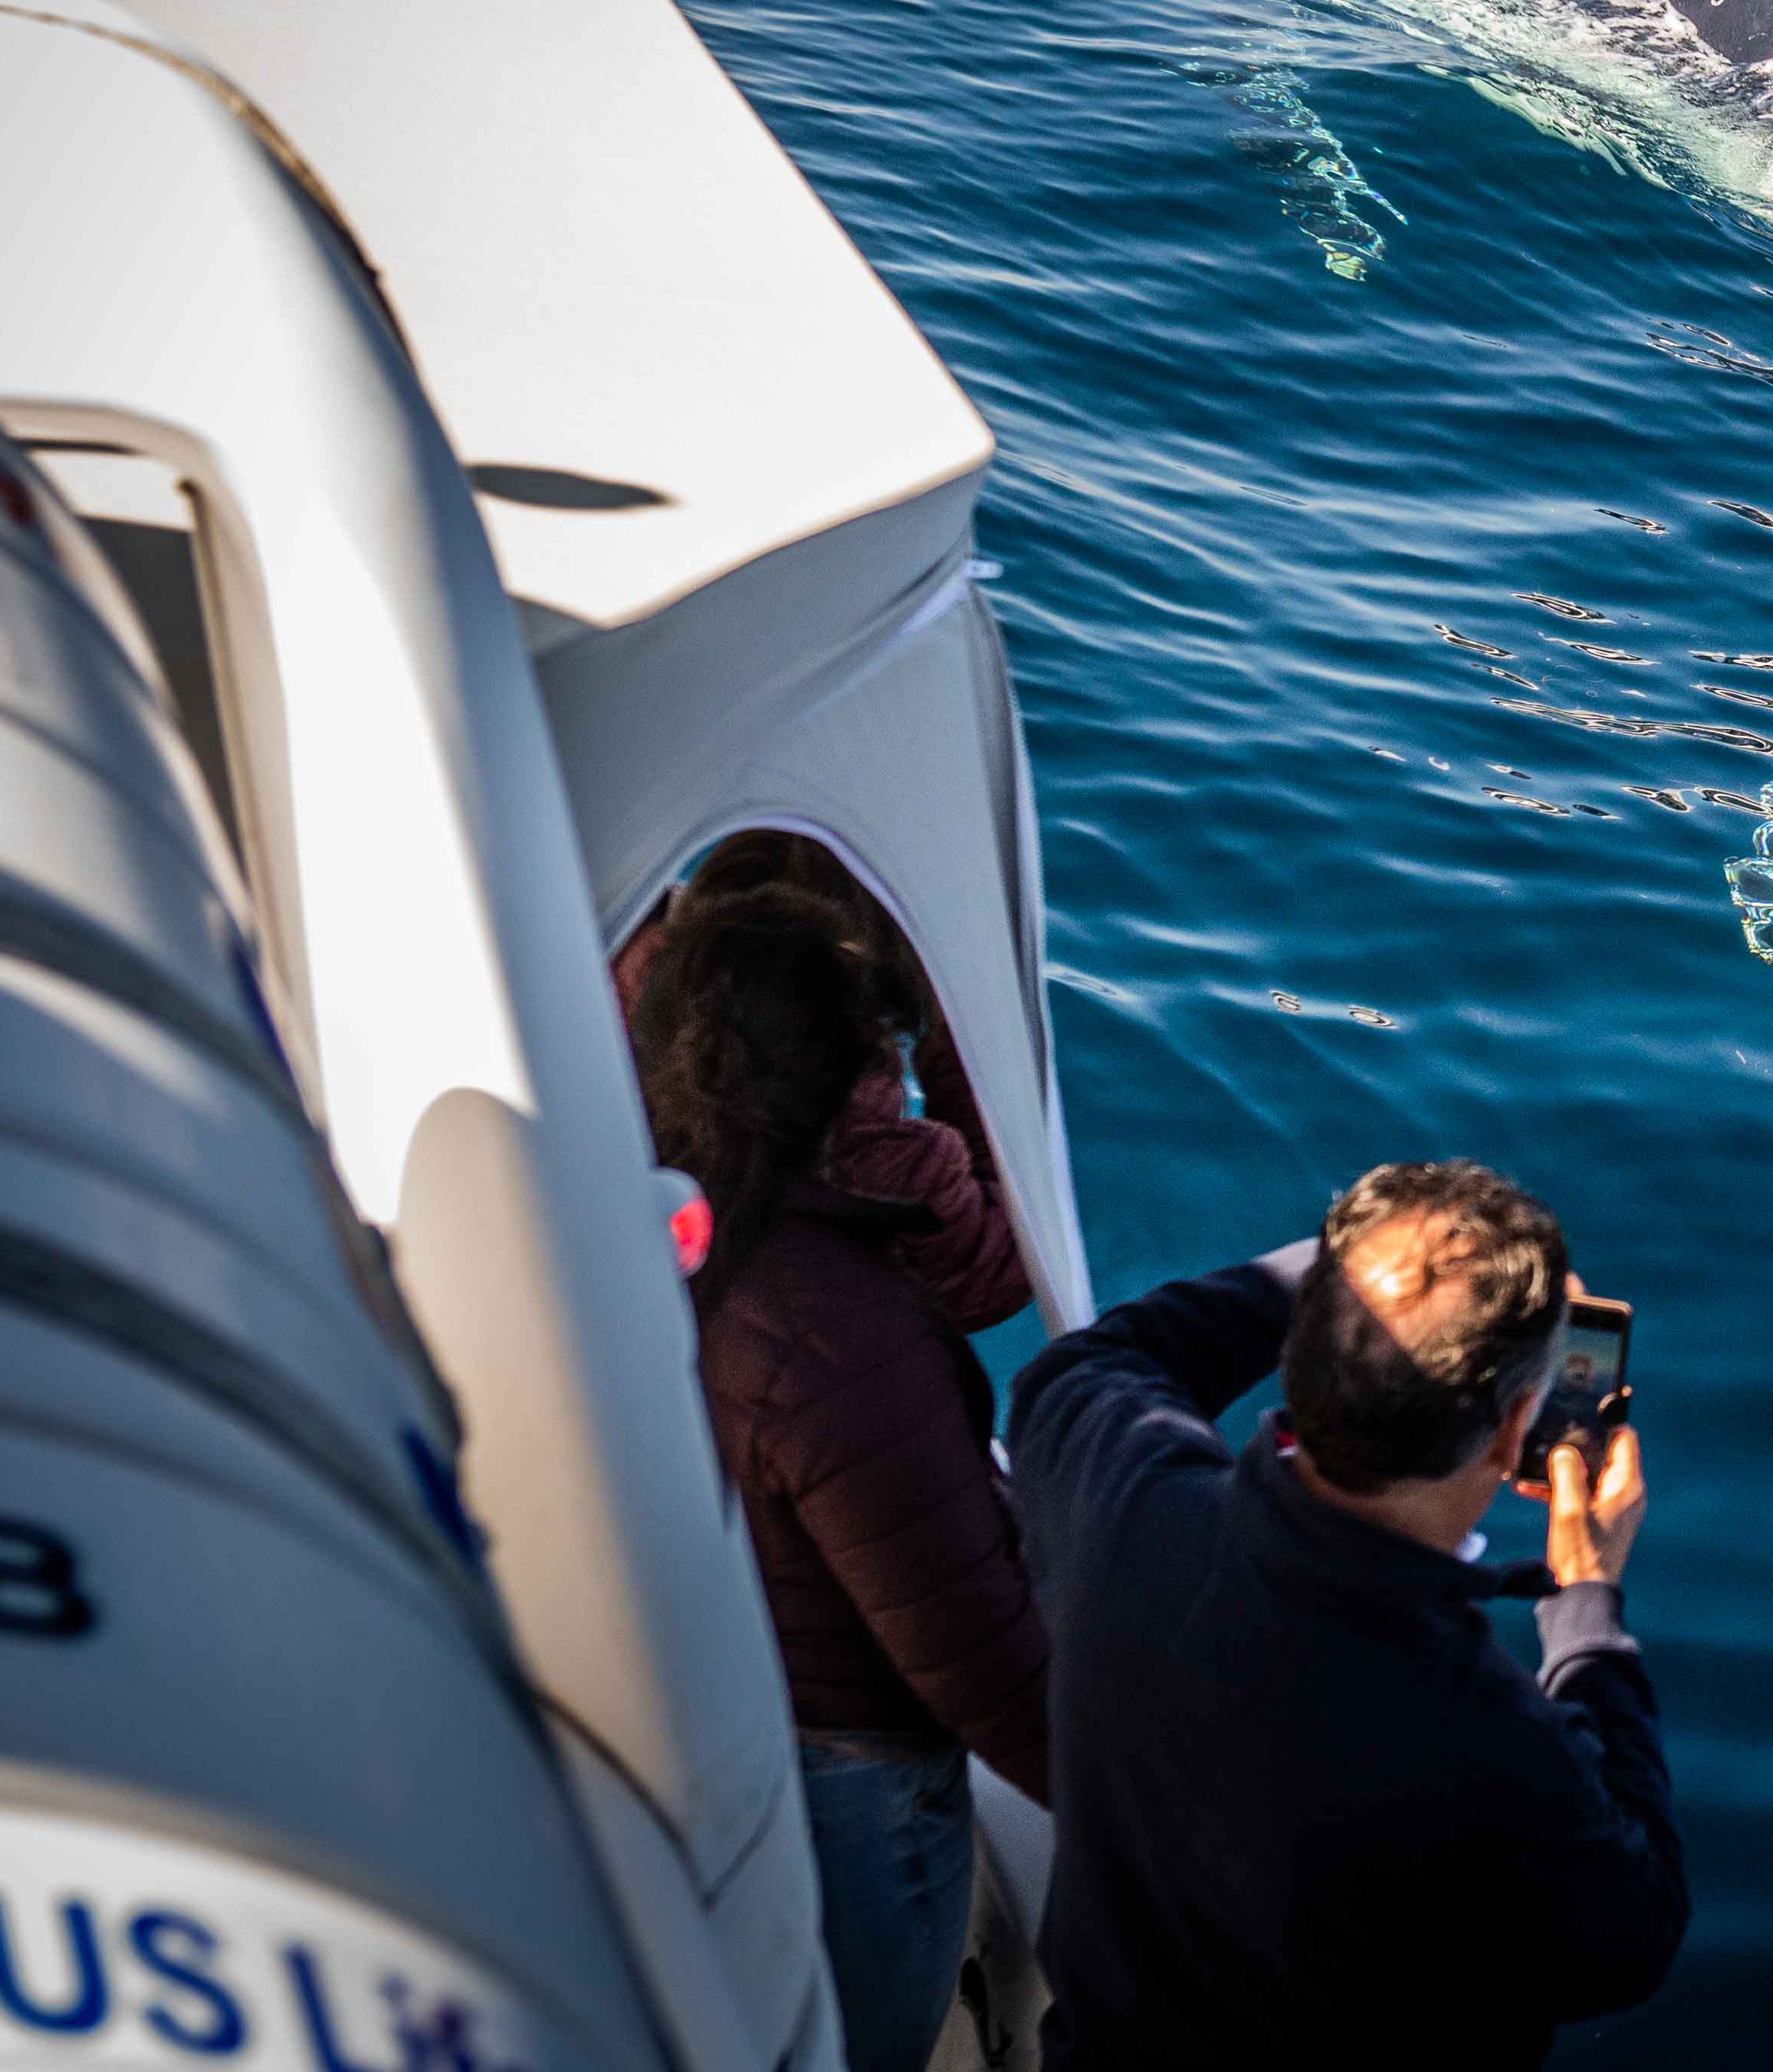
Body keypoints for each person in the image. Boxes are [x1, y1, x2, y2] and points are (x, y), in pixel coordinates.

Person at [1007, 1160, 1686, 2070]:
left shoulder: (1126, 1511)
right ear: (1512, 1430)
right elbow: (1633, 1935)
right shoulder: (1495, 1746)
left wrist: (1371, 1273)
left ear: (1308, 1347)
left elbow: (1091, 1364)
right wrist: (1586, 1606)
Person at [632, 884, 1053, 2072]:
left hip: (716, 1710)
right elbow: (987, 1671)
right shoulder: (838, 1340)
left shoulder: (642, 1211)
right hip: (854, 1801)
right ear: (854, 1081)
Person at [619, 830, 1029, 1334]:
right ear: (876, 992)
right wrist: (951, 1028)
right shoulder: (888, 1160)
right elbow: (991, 1277)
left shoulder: (617, 1052)